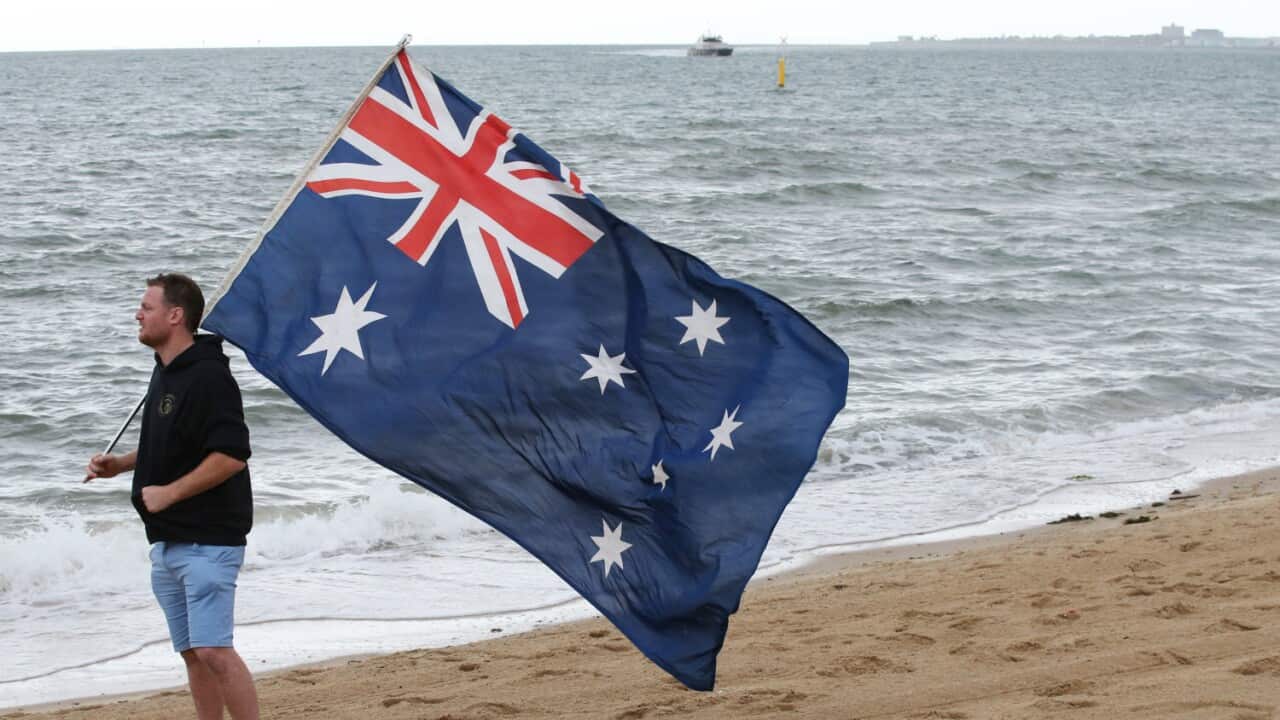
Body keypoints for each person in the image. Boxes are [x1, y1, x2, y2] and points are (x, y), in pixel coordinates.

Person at [85, 273, 259, 720]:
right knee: (193, 654)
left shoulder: (208, 377)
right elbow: (175, 442)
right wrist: (120, 465)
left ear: (176, 315)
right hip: (167, 542)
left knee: (214, 651)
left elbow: (232, 455)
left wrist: (170, 493)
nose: (138, 314)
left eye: (147, 307)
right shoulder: (166, 372)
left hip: (208, 541)